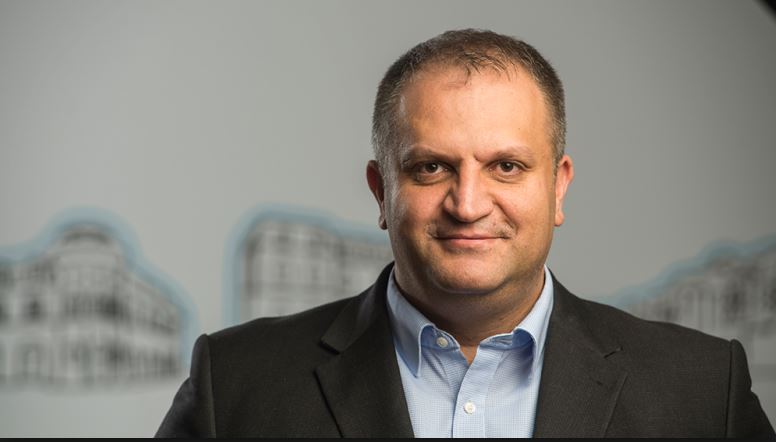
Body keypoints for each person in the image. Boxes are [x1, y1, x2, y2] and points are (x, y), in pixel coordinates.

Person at [155, 29, 774, 438]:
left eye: (506, 166)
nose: (469, 205)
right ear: (381, 191)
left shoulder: (701, 391)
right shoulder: (234, 386)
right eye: (431, 168)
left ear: (558, 187)